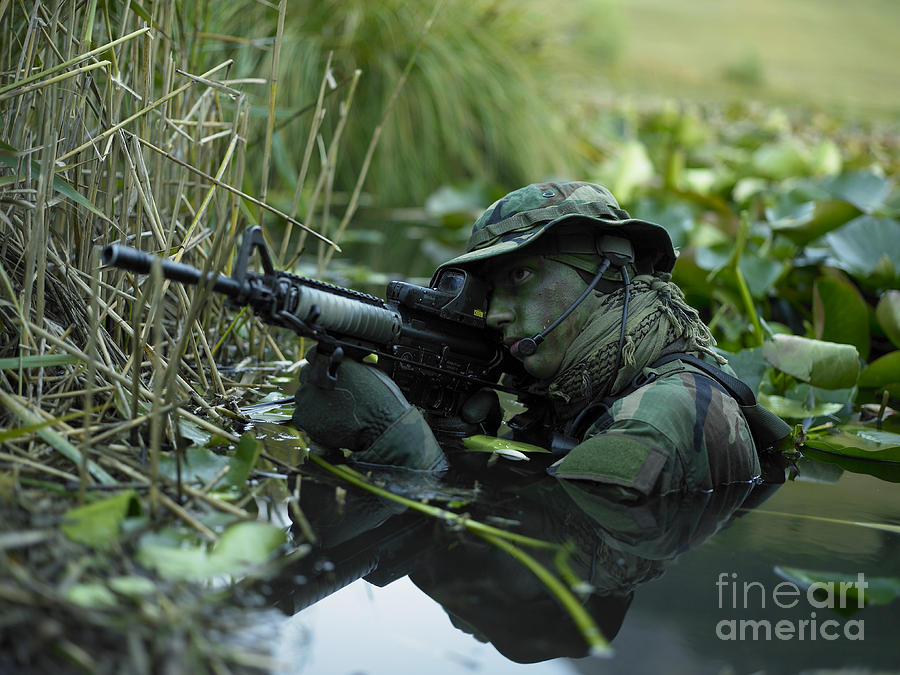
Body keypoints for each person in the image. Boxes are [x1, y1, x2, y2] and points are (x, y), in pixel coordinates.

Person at [293, 181, 790, 497]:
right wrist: (453, 436)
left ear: (610, 272)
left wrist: (405, 450)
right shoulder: (580, 393)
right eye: (489, 290)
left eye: (522, 276)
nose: (497, 314)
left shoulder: (664, 414)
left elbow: (553, 532)